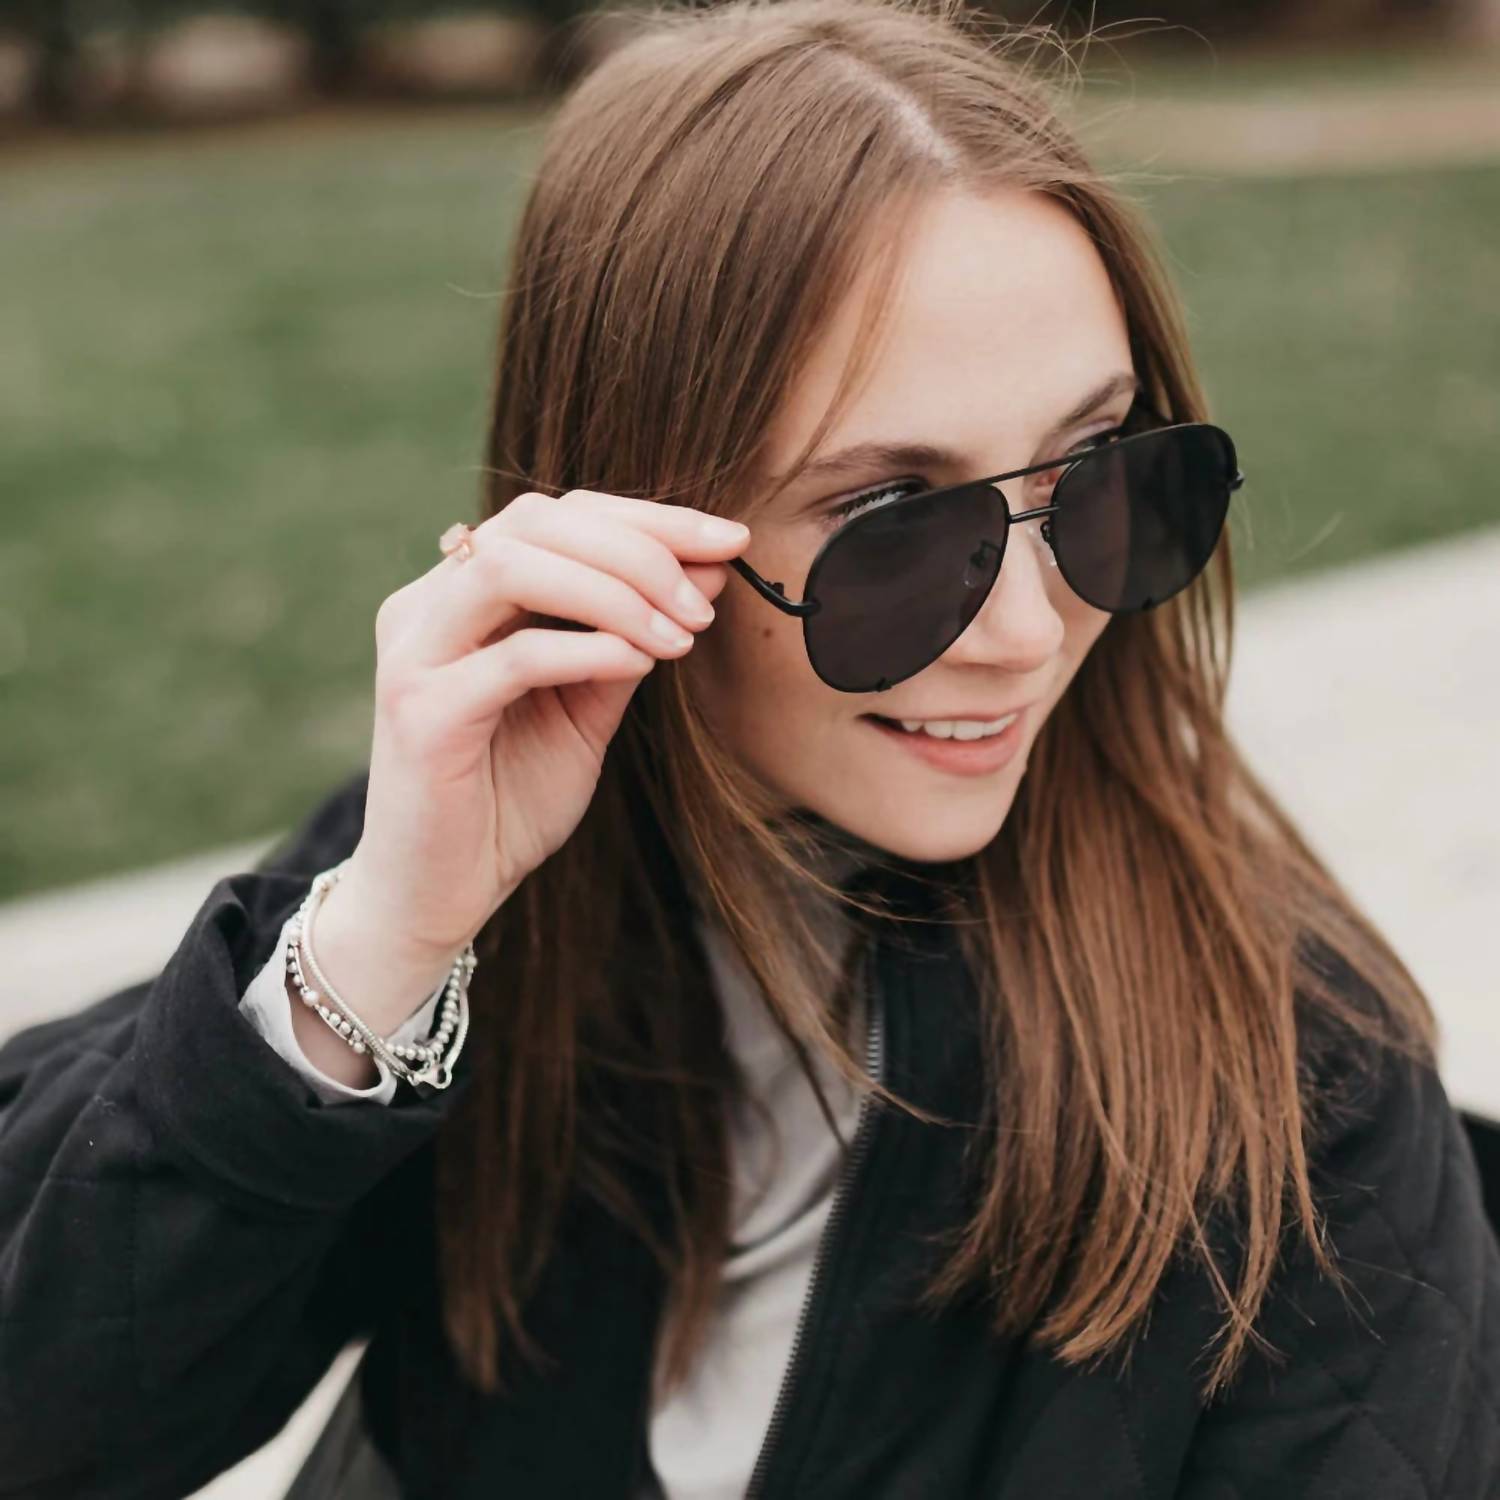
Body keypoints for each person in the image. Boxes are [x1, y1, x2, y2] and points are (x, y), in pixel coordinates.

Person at [3, 0, 1498, 1495]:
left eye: (1100, 473)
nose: (1029, 631)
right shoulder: (465, 910)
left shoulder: (1307, 1105)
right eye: (893, 526)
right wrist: (382, 948)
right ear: (628, 528)